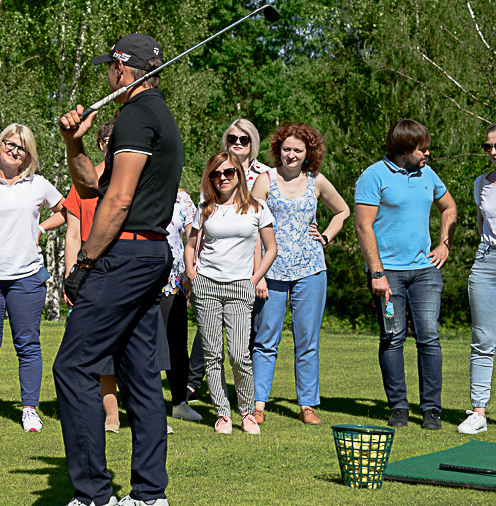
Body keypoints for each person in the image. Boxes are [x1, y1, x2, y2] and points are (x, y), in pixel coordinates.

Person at [44, 33, 182, 506]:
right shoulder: (156, 115)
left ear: (124, 69)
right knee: (138, 372)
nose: (107, 75)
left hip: (125, 255)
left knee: (74, 366)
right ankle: (148, 497)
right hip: (148, 256)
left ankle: (94, 499)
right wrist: (73, 141)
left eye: (110, 67)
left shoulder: (136, 115)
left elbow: (117, 203)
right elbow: (91, 186)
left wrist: (83, 264)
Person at [0, 124, 63, 433]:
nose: (14, 150)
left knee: (28, 345)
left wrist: (41, 229)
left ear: (28, 154)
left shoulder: (39, 184)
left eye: (21, 147)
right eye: (9, 143)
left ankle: (29, 409)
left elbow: (68, 211)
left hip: (27, 278)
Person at [355, 119, 457, 430]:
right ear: (403, 149)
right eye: (422, 148)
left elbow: (449, 208)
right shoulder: (373, 176)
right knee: (392, 337)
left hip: (425, 271)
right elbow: (363, 226)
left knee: (429, 338)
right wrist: (377, 273)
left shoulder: (427, 174)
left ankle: (431, 411)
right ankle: (398, 407)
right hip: (388, 275)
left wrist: (444, 245)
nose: (427, 153)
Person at [249, 123, 350, 426]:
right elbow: (253, 230)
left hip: (310, 269)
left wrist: (327, 237)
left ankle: (307, 404)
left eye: (298, 150)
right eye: (286, 149)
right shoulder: (265, 181)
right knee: (266, 339)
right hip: (273, 270)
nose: (291, 155)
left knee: (307, 339)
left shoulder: (316, 181)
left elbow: (342, 211)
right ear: (278, 150)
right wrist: (258, 274)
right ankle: (258, 405)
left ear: (309, 153)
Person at [185, 154, 277, 435]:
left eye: (229, 172)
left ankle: (247, 412)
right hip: (207, 286)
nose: (223, 177)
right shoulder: (205, 208)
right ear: (210, 178)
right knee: (212, 354)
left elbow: (270, 248)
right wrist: (192, 274)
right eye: (216, 173)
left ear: (239, 173)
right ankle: (223, 413)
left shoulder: (257, 207)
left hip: (240, 287)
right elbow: (191, 245)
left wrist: (253, 279)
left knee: (239, 354)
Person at [60, 121, 123, 432]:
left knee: (131, 343)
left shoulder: (129, 181)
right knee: (94, 346)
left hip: (124, 269)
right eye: (108, 139)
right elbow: (72, 235)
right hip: (89, 272)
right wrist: (73, 277)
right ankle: (110, 411)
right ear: (100, 144)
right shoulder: (81, 185)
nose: (112, 144)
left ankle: (140, 410)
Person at [462, 123, 496, 434]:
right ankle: (479, 413)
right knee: (483, 340)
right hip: (486, 264)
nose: (493, 152)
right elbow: (481, 224)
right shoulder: (481, 184)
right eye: (488, 147)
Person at [164, 189, 200, 424]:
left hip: (174, 281)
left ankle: (179, 403)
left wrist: (190, 272)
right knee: (144, 344)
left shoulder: (182, 198)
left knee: (176, 344)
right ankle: (146, 403)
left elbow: (193, 238)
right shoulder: (136, 187)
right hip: (141, 279)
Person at [223, 118, 268, 188]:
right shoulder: (216, 171)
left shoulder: (267, 174)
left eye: (244, 140)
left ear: (253, 142)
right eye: (232, 138)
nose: (237, 142)